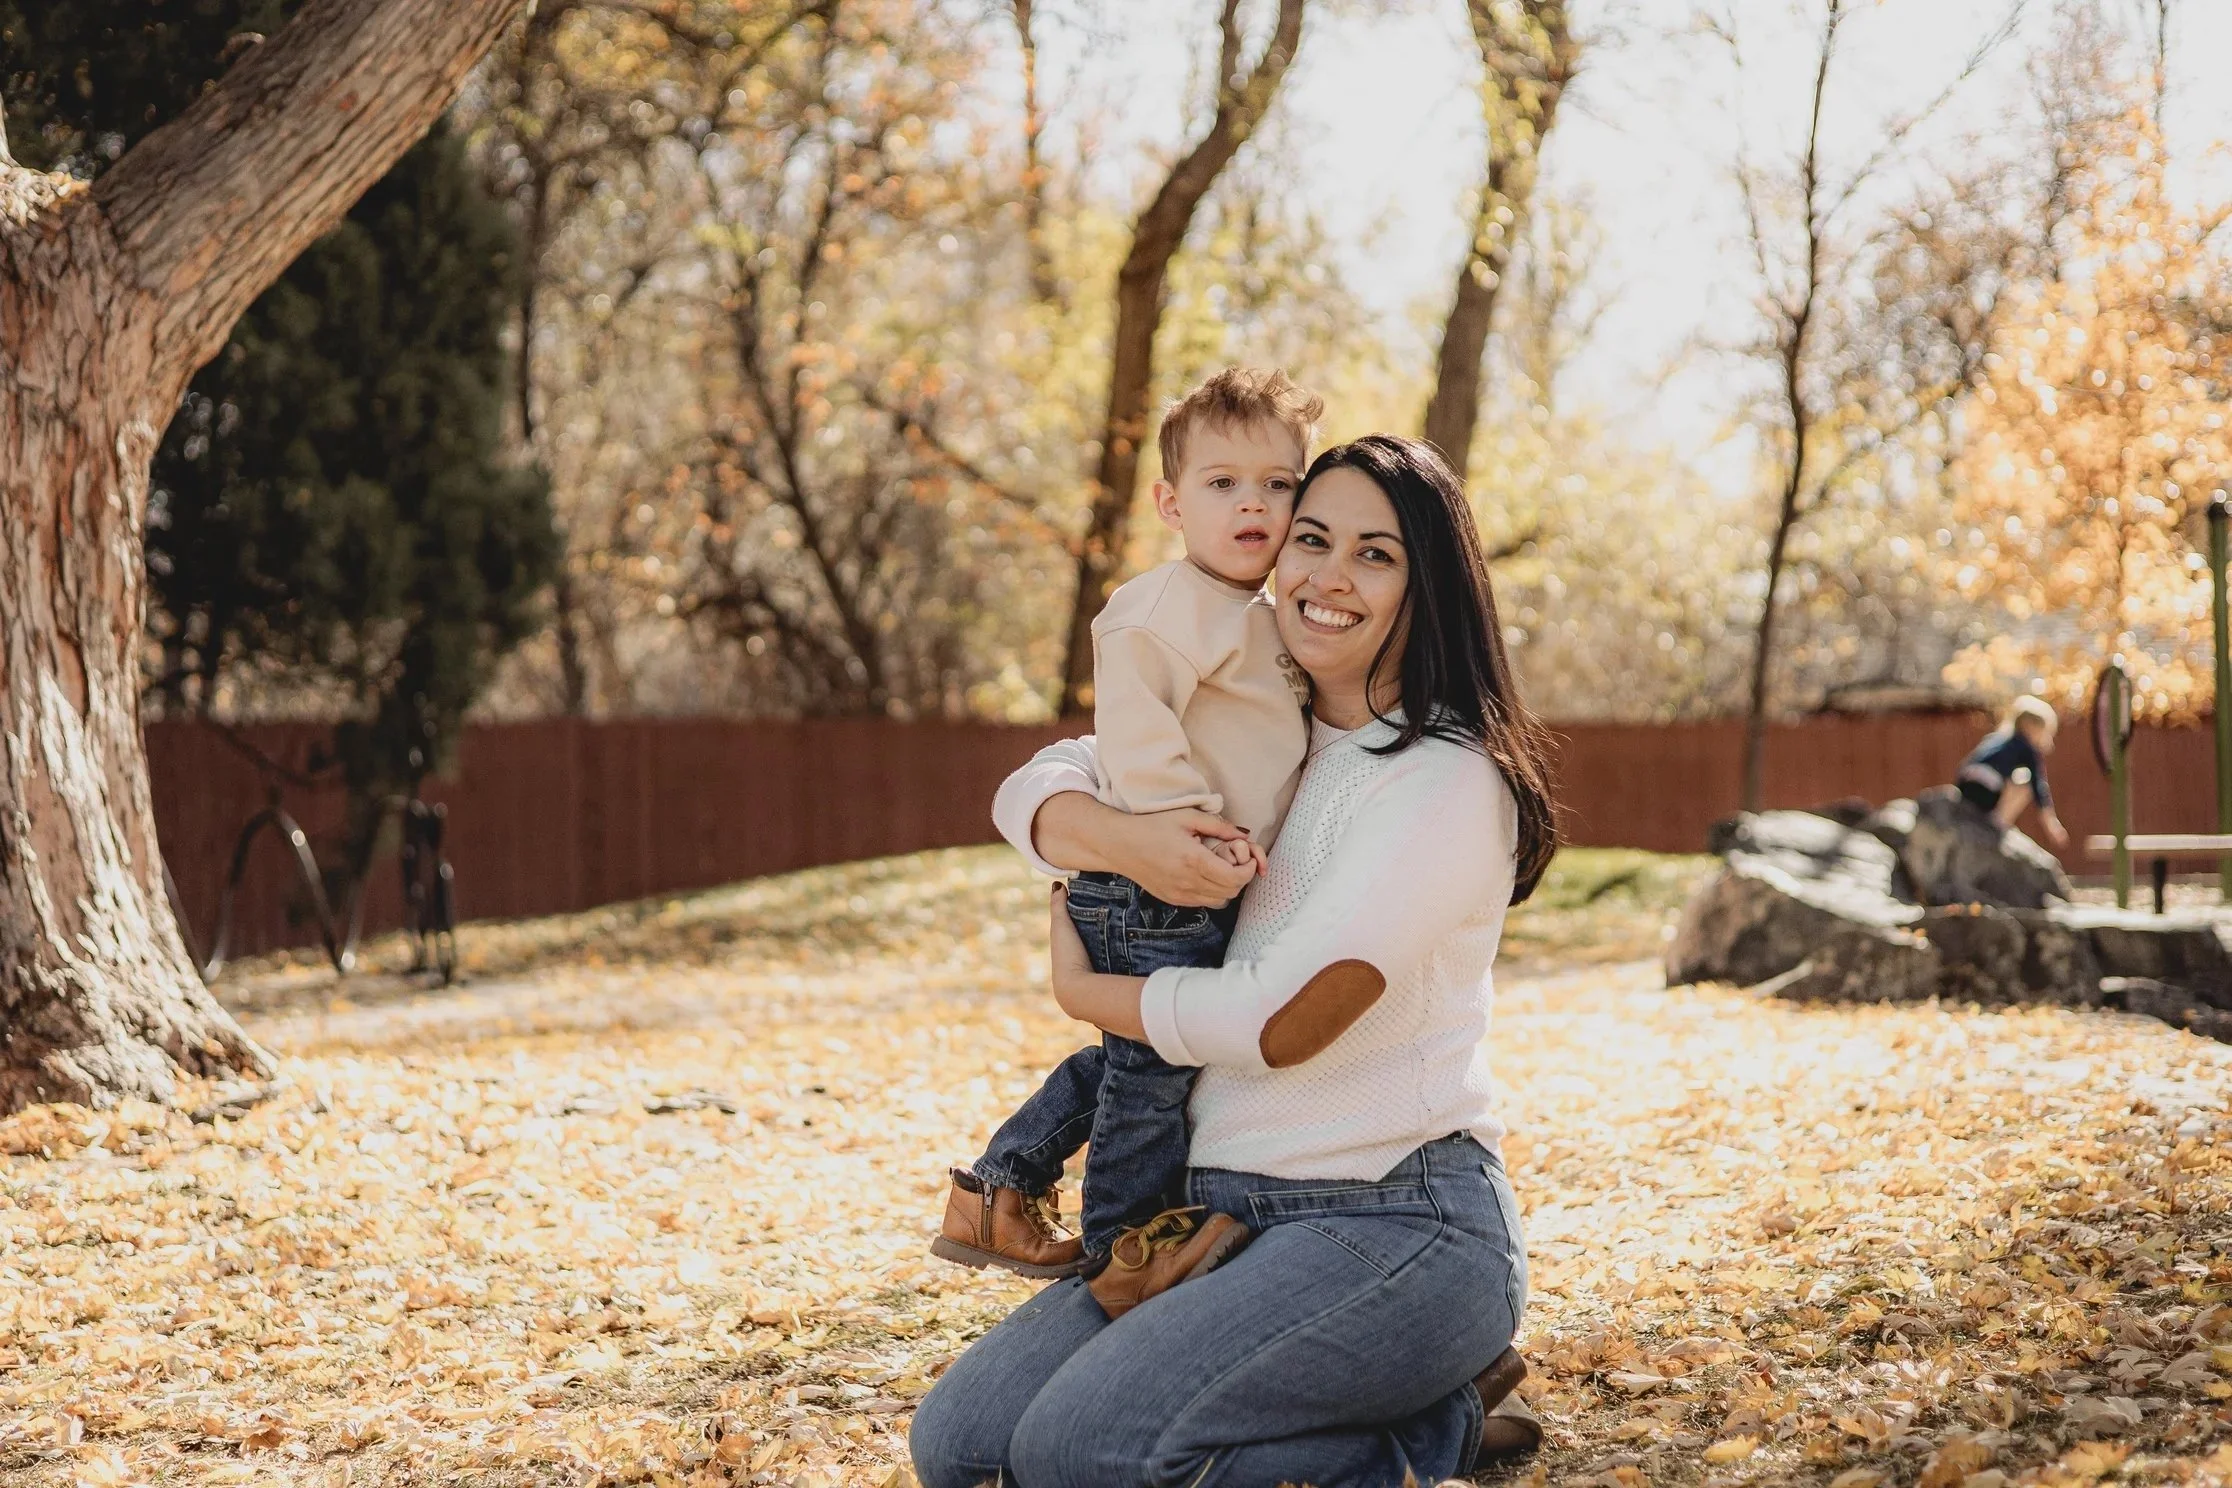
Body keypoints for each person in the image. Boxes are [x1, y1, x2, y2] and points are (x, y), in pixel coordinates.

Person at [910, 435, 1559, 1488]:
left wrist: (1089, 994)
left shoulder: (1445, 781)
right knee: (963, 1449)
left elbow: (1283, 1019)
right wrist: (1126, 839)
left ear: (1428, 584)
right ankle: (1434, 1407)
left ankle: (1418, 1433)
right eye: (1312, 539)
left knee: (1079, 1452)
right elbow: (1033, 788)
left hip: (1397, 1219)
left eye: (1375, 554)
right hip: (1217, 1221)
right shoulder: (1258, 723)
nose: (1329, 575)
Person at [933, 369, 1319, 1293]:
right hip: (1160, 879)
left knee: (1133, 1057)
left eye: (1278, 483)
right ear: (1171, 502)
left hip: (1192, 879)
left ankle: (1001, 1186)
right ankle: (1121, 1255)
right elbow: (1138, 737)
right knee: (1148, 1076)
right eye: (1223, 483)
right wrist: (1186, 827)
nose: (1253, 503)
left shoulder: (1261, 615)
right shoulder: (1157, 608)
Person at [1956, 695, 2069, 847]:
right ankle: (1998, 823)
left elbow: (1967, 766)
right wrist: (2051, 823)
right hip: (1987, 789)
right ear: (2030, 726)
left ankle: (1987, 818)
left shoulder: (1996, 739)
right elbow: (2038, 786)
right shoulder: (2027, 748)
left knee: (2011, 775)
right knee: (2024, 779)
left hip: (1966, 786)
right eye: (2044, 732)